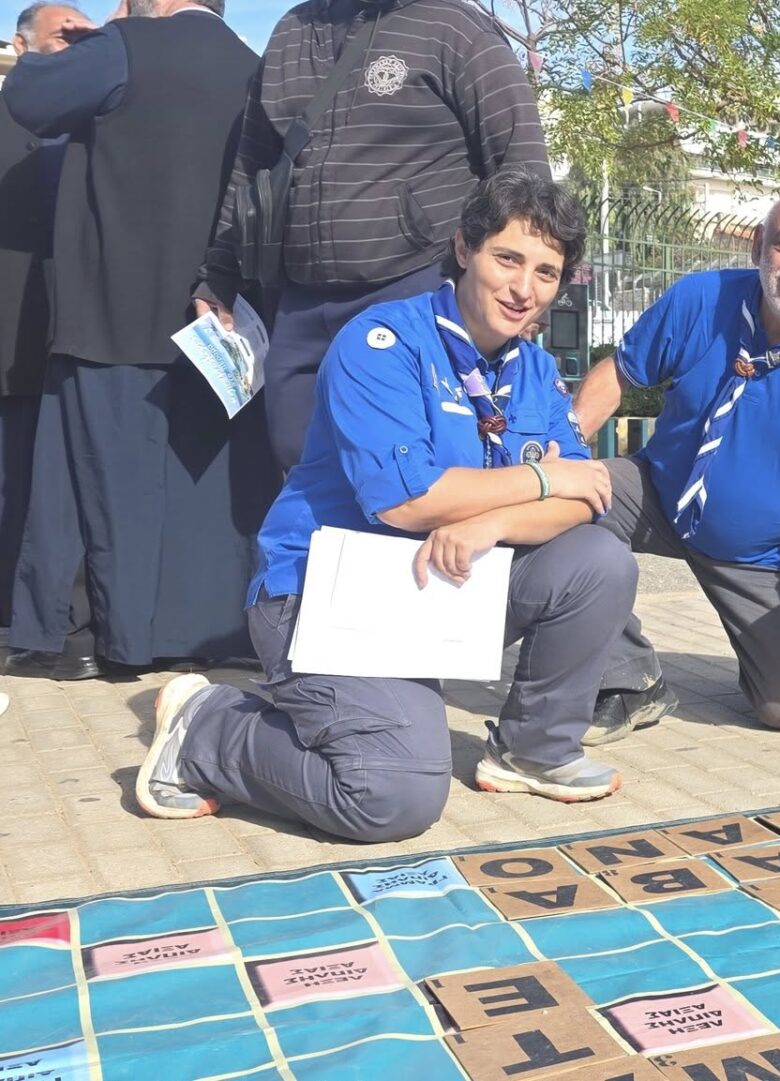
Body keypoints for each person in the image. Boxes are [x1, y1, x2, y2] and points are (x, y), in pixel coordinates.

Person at [137, 171, 636, 841]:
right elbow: (407, 500)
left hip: (439, 586)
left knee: (598, 559)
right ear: (465, 249)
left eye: (546, 272)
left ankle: (533, 751)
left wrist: (495, 517)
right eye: (508, 258)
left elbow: (589, 496)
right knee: (392, 793)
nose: (524, 288)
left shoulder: (535, 372)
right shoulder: (384, 343)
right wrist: (546, 480)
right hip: (324, 594)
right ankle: (208, 730)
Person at [3, 0, 279, 677]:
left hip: (109, 315)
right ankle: (199, 636)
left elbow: (28, 97)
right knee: (199, 499)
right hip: (214, 319)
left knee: (95, 488)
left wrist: (88, 40)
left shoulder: (127, 46)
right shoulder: (257, 68)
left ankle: (108, 642)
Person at [569, 189, 780, 739]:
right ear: (760, 245)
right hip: (657, 499)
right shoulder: (701, 299)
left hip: (763, 557)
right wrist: (560, 456)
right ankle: (632, 676)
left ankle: (767, 650)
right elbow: (616, 377)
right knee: (557, 498)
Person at [193, 0, 551, 472]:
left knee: (401, 466)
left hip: (415, 289)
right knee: (298, 461)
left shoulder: (456, 28)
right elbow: (251, 168)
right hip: (299, 298)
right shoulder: (289, 32)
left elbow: (524, 172)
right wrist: (218, 276)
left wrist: (521, 293)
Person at [0, 1, 91, 637]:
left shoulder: (92, 128)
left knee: (35, 490)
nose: (77, 49)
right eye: (66, 38)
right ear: (20, 42)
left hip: (50, 341)